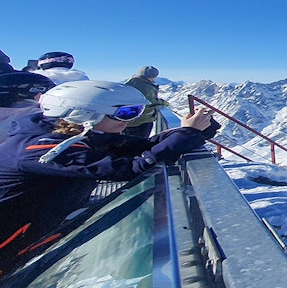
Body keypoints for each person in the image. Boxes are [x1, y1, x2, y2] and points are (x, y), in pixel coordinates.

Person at [0, 81, 218, 276]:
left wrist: (193, 130)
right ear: (83, 114)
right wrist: (187, 134)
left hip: (27, 226)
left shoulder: (75, 134)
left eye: (137, 111)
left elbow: (145, 146)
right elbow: (130, 168)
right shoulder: (43, 148)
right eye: (125, 113)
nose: (132, 120)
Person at [123, 66, 170, 138]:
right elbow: (150, 101)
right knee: (141, 142)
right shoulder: (146, 87)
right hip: (141, 120)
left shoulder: (131, 83)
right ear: (152, 76)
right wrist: (163, 102)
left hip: (127, 119)